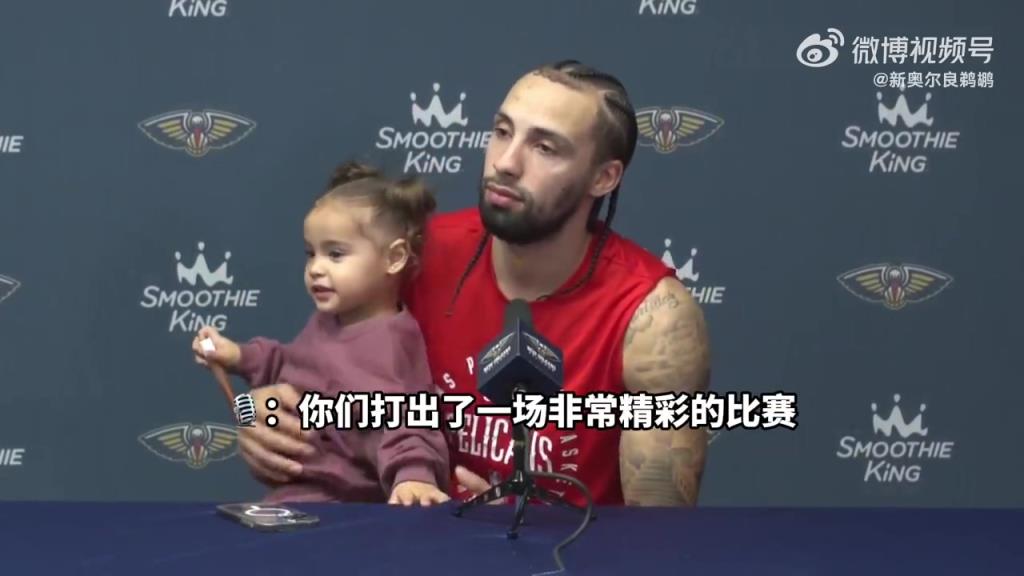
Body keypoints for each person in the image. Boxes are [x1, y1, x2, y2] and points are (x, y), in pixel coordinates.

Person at [237, 60, 711, 507]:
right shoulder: (413, 257)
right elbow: (309, 384)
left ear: (604, 177)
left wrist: (525, 529)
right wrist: (257, 417)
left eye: (544, 148)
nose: (506, 162)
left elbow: (657, 543)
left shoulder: (654, 320)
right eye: (502, 132)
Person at [191, 163, 451, 507]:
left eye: (335, 254)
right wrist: (237, 355)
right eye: (310, 253)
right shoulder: (329, 322)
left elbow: (408, 417)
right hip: (294, 494)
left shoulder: (389, 342)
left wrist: (413, 477)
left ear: (394, 258)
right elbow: (289, 364)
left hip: (340, 505)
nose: (316, 268)